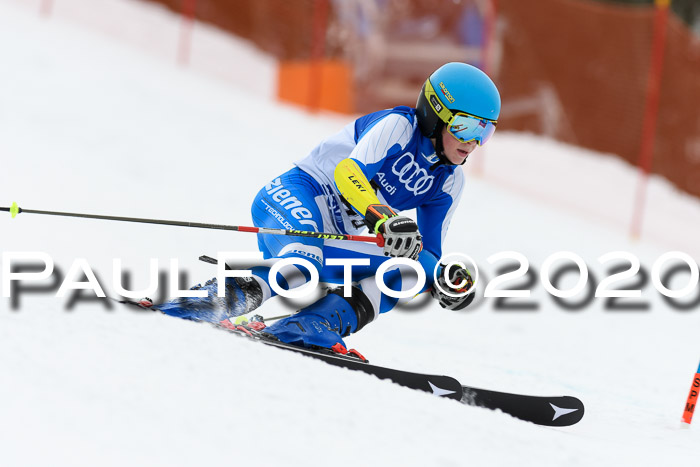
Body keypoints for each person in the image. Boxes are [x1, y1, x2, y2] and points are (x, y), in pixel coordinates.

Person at [156, 62, 501, 355]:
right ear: (435, 113)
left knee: (410, 272)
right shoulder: (398, 127)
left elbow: (428, 252)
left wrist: (443, 279)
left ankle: (308, 326)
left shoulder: (450, 182)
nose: (473, 142)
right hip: (297, 194)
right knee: (304, 261)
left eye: (485, 132)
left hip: (337, 233)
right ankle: (204, 302)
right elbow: (348, 173)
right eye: (466, 126)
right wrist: (383, 217)